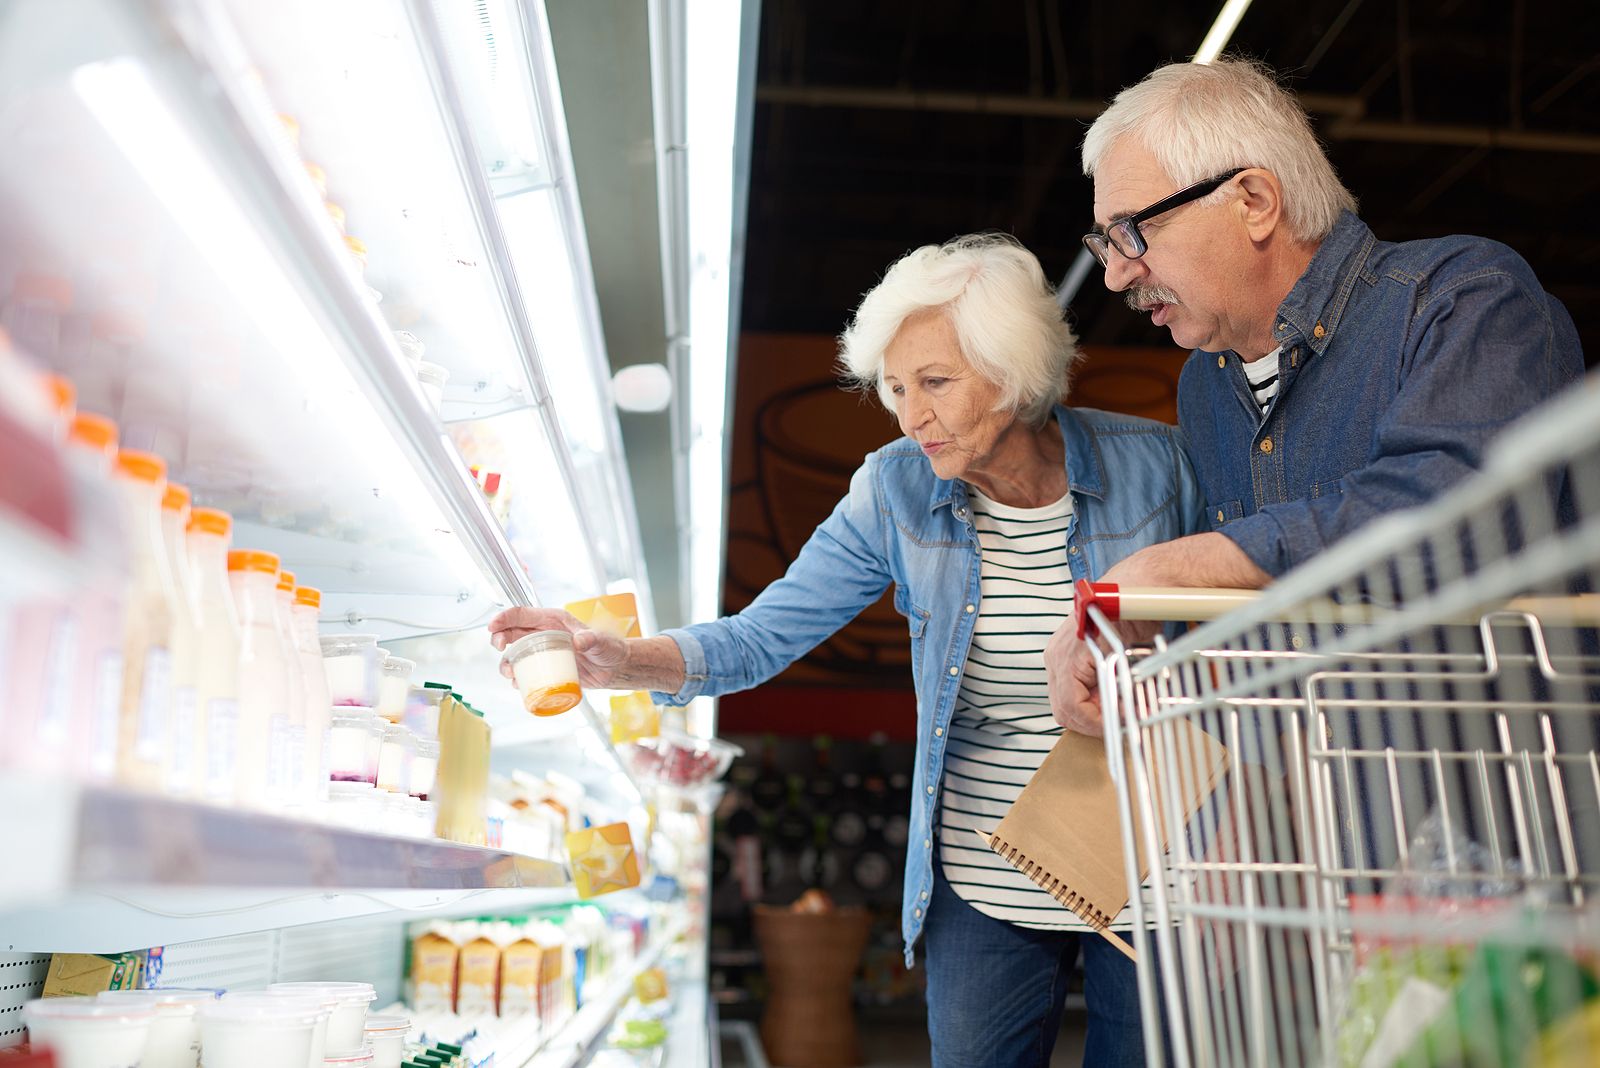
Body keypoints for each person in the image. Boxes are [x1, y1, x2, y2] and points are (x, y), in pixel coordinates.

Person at [489, 233, 1205, 1067]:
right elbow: (762, 636)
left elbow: (1245, 635)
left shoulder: (1160, 467)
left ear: (1013, 371)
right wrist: (620, 661)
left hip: (1153, 855)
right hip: (983, 878)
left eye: (935, 382)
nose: (910, 416)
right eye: (895, 388)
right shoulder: (894, 487)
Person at [1047, 57, 1585, 734]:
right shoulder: (1205, 385)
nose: (1116, 275)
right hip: (1323, 792)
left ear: (1253, 201)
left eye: (1134, 230)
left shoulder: (1460, 298)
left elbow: (1457, 521)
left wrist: (1179, 567)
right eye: (1105, 243)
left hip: (1501, 782)